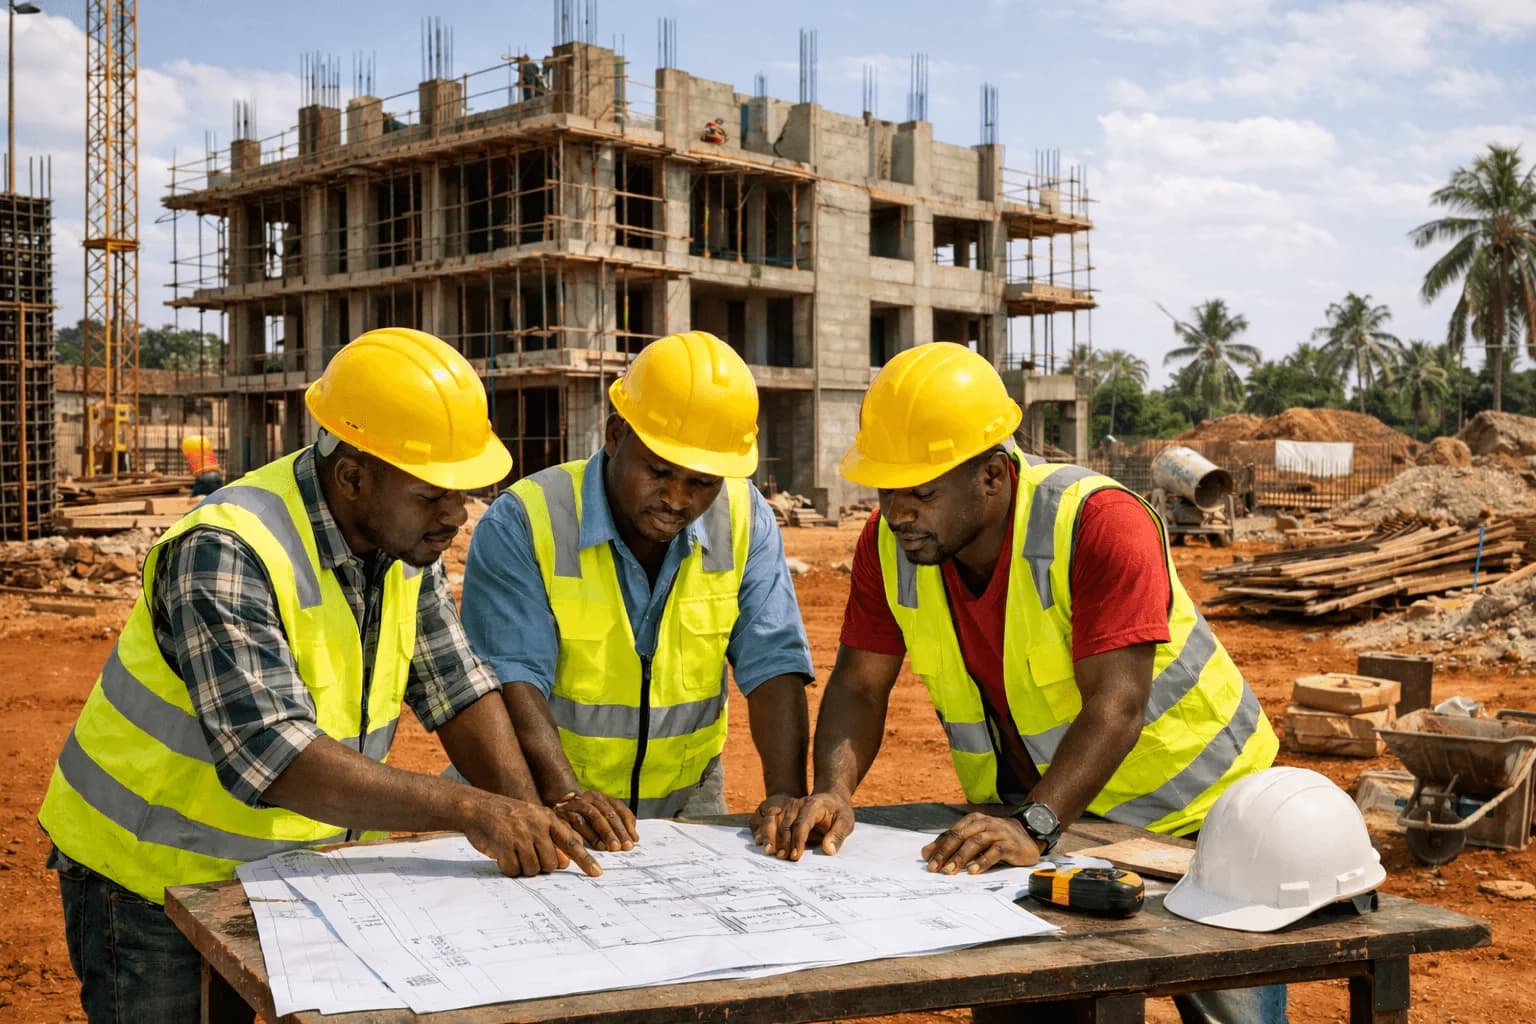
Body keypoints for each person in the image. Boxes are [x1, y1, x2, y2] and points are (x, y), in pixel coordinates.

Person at [38, 328, 597, 1024]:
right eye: (434, 495)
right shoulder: (227, 548)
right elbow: (271, 757)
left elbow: (456, 686)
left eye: (466, 490)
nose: (457, 514)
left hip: (294, 877)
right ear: (354, 475)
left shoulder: (401, 546)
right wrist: (472, 810)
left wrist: (529, 812)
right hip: (150, 886)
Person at [761, 342, 1284, 1024]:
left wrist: (1036, 823)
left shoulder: (1099, 523)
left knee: (1232, 1015)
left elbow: (1117, 704)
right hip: (1043, 815)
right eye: (886, 489)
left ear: (993, 476)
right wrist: (833, 789)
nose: (897, 513)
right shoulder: (887, 546)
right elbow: (859, 686)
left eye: (921, 492)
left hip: (1203, 822)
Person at [460, 330, 814, 851]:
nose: (677, 499)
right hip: (540, 795)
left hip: (686, 801)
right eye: (659, 471)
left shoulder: (742, 516)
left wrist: (786, 793)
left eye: (702, 482)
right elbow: (512, 680)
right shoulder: (527, 521)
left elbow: (773, 662)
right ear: (615, 435)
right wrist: (564, 795)